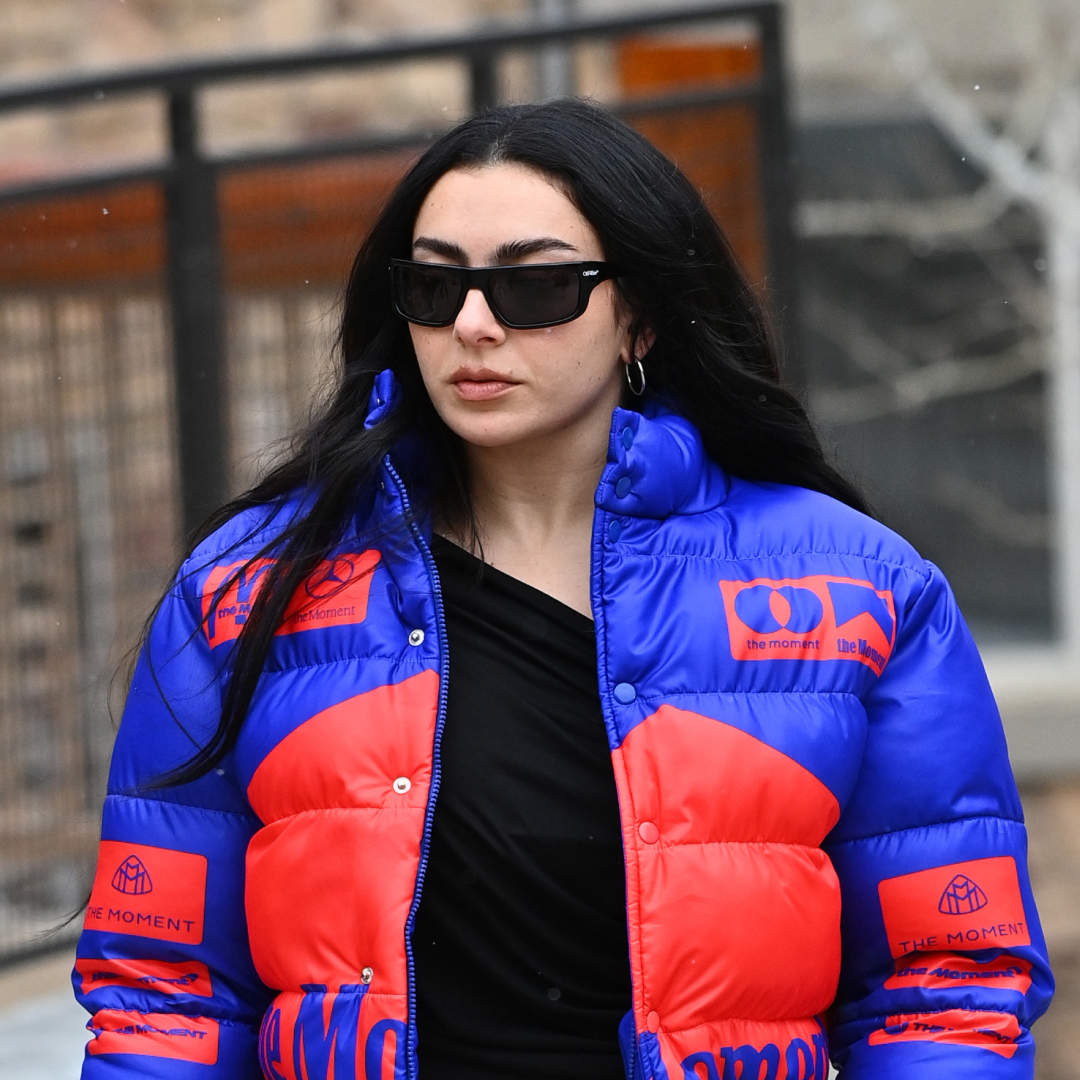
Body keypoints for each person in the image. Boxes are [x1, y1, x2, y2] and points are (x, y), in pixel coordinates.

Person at [73, 99, 1052, 1080]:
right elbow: (164, 993)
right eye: (434, 283)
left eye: (535, 285)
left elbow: (948, 990)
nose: (472, 325)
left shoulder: (861, 592)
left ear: (643, 314)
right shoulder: (248, 590)